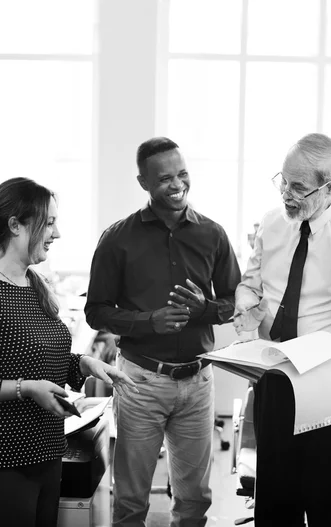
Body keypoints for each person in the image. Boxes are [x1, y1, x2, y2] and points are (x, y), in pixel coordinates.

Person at [0, 177, 138, 527]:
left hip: (44, 453)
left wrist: (86, 364)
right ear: (15, 225)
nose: (57, 233)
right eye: (48, 223)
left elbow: (39, 357)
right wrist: (25, 388)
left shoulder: (32, 284)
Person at [84, 136, 241, 527]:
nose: (177, 185)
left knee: (195, 501)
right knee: (131, 502)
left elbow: (235, 303)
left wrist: (205, 309)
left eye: (183, 174)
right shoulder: (117, 238)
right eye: (165, 178)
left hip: (198, 382)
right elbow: (95, 311)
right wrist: (147, 321)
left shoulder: (213, 235)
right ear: (143, 183)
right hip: (140, 382)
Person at [234, 132, 331, 526]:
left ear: (330, 188)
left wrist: (317, 358)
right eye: (283, 181)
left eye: (298, 187)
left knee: (329, 499)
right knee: (275, 497)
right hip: (276, 374)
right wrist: (247, 310)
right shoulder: (273, 223)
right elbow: (252, 285)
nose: (285, 193)